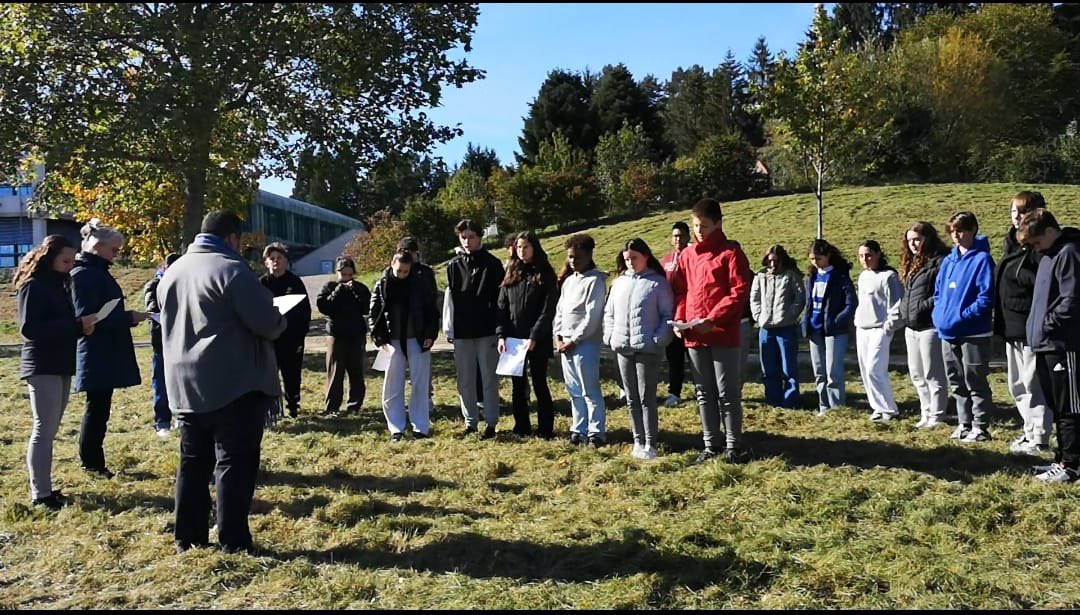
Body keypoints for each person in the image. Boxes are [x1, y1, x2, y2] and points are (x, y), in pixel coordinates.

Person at [159, 210, 287, 554]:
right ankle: (233, 540)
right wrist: (279, 318)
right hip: (232, 382)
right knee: (234, 463)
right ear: (232, 238)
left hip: (184, 384)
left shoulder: (174, 271)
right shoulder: (232, 269)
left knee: (193, 463)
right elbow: (266, 323)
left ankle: (188, 537)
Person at [16, 235, 97, 509]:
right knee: (43, 429)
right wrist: (76, 326)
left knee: (50, 429)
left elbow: (59, 325)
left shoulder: (59, 285)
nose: (70, 265)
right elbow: (29, 329)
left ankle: (45, 488)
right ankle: (40, 494)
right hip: (42, 364)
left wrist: (80, 327)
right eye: (66, 260)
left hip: (60, 362)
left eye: (72, 261)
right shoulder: (34, 286)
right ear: (49, 257)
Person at [671, 199, 753, 464]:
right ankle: (710, 444)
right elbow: (681, 291)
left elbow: (738, 292)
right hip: (694, 334)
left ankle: (733, 445)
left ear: (718, 223)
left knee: (727, 392)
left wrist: (714, 318)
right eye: (696, 226)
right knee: (703, 392)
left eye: (704, 226)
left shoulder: (731, 253)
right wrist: (680, 318)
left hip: (722, 333)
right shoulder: (687, 256)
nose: (699, 231)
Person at [71, 219, 148, 478]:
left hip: (103, 349)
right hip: (96, 350)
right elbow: (88, 317)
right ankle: (92, 463)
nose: (116, 255)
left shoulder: (94, 271)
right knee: (97, 409)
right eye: (114, 250)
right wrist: (128, 318)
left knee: (100, 407)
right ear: (97, 246)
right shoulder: (84, 274)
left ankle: (93, 460)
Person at [1017, 208, 1080, 482]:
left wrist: (1047, 324)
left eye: (1036, 241)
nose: (1035, 248)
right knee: (1056, 406)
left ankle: (1072, 465)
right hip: (1044, 344)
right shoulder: (1048, 256)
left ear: (1051, 231)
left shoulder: (1069, 253)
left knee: (1069, 407)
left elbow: (1071, 299)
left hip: (1063, 345)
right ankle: (1061, 457)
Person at [604, 238, 674, 459]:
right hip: (623, 347)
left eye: (634, 258)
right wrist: (610, 336)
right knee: (631, 397)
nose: (630, 262)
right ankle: (637, 439)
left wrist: (658, 340)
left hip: (647, 349)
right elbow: (609, 313)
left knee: (646, 397)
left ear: (646, 257)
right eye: (627, 259)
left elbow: (667, 315)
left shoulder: (658, 284)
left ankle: (650, 442)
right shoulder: (619, 283)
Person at [994, 192, 1051, 456]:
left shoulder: (1039, 248)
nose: (1017, 217)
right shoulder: (1012, 244)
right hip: (1011, 326)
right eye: (1013, 212)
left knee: (1033, 384)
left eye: (1022, 212)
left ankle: (1039, 437)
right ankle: (1029, 432)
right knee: (1016, 384)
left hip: (1031, 327)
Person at [932, 211, 996, 443]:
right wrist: (940, 314)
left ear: (973, 231)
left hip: (974, 332)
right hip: (948, 332)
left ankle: (981, 426)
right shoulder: (948, 261)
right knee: (956, 380)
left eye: (961, 231)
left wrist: (963, 316)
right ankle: (964, 423)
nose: (956, 236)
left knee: (975, 379)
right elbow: (938, 293)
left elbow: (986, 297)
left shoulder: (982, 260)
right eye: (953, 231)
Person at [444, 219, 505, 438]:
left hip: (487, 330)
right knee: (465, 379)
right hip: (462, 331)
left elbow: (500, 300)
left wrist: (500, 330)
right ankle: (470, 422)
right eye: (463, 237)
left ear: (479, 237)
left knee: (489, 378)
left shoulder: (493, 264)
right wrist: (450, 328)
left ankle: (491, 422)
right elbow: (451, 299)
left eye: (471, 237)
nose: (467, 241)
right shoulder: (453, 265)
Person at [370, 249, 439, 441]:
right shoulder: (382, 285)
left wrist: (430, 335)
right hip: (392, 341)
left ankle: (420, 428)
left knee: (420, 384)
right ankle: (396, 429)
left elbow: (432, 312)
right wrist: (379, 339)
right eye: (398, 270)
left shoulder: (420, 284)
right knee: (392, 385)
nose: (401, 274)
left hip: (418, 339)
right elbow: (374, 314)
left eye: (405, 271)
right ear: (391, 264)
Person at [497, 231, 558, 438]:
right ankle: (521, 427)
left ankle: (545, 429)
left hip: (537, 340)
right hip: (514, 339)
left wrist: (535, 336)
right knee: (518, 385)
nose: (522, 251)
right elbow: (502, 307)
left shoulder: (545, 273)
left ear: (534, 248)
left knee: (539, 383)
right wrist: (501, 335)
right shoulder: (511, 271)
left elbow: (547, 310)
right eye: (519, 247)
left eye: (526, 247)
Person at [554, 233, 608, 446]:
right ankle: (579, 428)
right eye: (570, 257)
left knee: (589, 389)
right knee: (574, 390)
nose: (573, 261)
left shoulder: (595, 281)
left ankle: (596, 431)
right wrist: (558, 336)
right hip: (565, 342)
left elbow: (592, 316)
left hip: (585, 343)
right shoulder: (569, 281)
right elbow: (560, 311)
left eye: (577, 257)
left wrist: (575, 340)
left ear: (588, 255)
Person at [898, 222, 950, 429]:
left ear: (928, 238)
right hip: (911, 326)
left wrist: (922, 306)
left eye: (917, 239)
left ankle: (937, 415)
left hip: (929, 325)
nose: (913, 244)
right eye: (909, 240)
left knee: (933, 373)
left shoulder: (940, 262)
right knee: (917, 373)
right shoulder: (912, 262)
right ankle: (925, 412)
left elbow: (941, 294)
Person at [804, 238, 858, 416]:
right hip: (814, 329)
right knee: (819, 372)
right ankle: (823, 406)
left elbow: (851, 303)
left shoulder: (840, 276)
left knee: (833, 372)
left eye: (818, 258)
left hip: (834, 331)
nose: (815, 262)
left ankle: (836, 408)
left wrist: (837, 320)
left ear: (828, 256)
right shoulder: (811, 278)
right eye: (812, 259)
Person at [854, 240, 904, 422]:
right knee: (865, 370)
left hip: (880, 329)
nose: (864, 259)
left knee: (875, 369)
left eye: (868, 255)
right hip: (862, 327)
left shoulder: (889, 276)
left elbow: (896, 303)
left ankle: (889, 409)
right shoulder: (863, 276)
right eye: (861, 256)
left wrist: (889, 326)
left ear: (878, 254)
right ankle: (877, 407)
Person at [260, 243, 312, 418]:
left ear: (286, 261)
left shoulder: (295, 282)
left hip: (291, 337)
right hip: (269, 338)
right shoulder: (261, 284)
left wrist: (301, 334)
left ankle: (293, 406)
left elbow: (305, 310)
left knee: (292, 373)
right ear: (266, 263)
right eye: (272, 258)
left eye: (279, 258)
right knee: (268, 375)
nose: (276, 261)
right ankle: (271, 408)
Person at [750, 244, 805, 409]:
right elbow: (754, 298)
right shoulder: (760, 276)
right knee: (768, 367)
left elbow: (799, 298)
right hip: (766, 329)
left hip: (786, 328)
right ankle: (773, 400)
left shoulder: (791, 275)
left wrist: (789, 316)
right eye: (769, 261)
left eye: (776, 261)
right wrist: (759, 317)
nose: (772, 264)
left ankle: (790, 401)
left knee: (788, 367)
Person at [316, 256, 371, 416]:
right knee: (335, 372)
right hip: (336, 335)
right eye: (343, 274)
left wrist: (357, 292)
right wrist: (339, 290)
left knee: (356, 372)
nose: (346, 278)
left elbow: (366, 308)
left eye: (349, 275)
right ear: (337, 272)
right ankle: (332, 407)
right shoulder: (329, 287)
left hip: (356, 335)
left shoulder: (360, 288)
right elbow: (324, 307)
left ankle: (354, 406)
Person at [145, 252, 181, 438]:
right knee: (161, 382)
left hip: (182, 341)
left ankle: (181, 417)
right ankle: (162, 421)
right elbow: (152, 308)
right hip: (161, 341)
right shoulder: (154, 285)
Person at [661, 221, 691, 407]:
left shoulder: (693, 256)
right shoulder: (666, 260)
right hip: (671, 316)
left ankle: (704, 390)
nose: (678, 239)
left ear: (688, 237)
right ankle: (674, 392)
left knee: (695, 357)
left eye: (681, 235)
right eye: (675, 236)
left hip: (690, 314)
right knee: (674, 356)